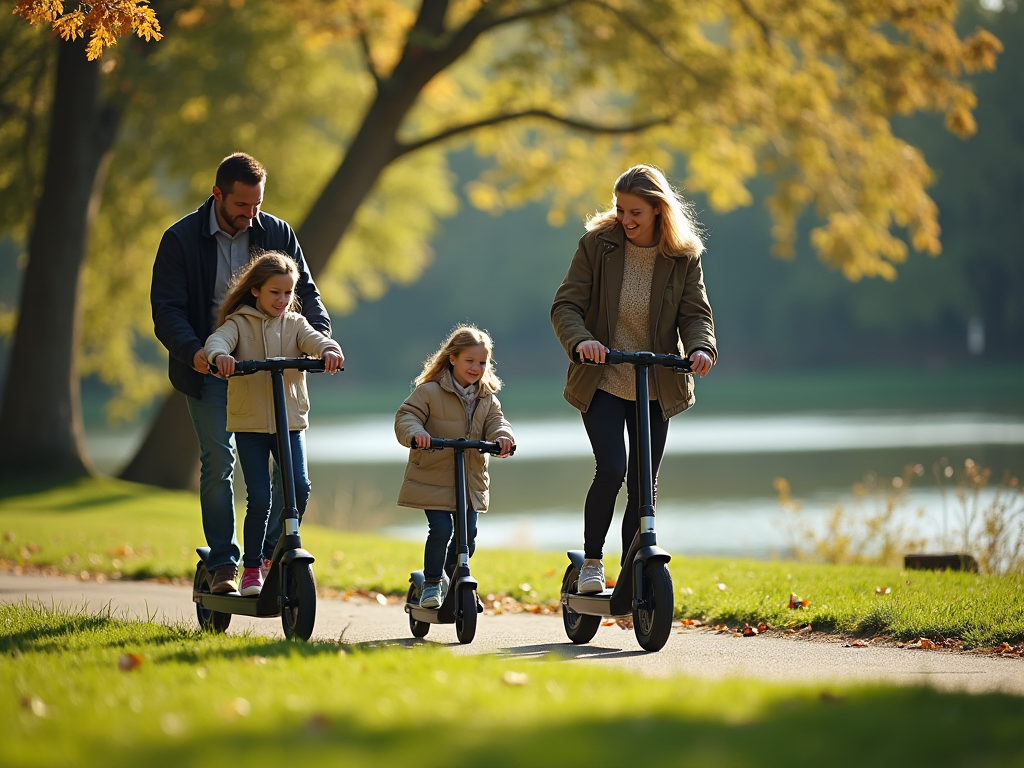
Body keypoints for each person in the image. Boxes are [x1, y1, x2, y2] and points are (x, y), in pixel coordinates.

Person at [152, 152, 332, 594]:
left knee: (290, 477)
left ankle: (264, 556)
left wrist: (323, 340)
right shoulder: (180, 240)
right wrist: (196, 353)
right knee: (219, 465)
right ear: (217, 194)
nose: (250, 215)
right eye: (241, 206)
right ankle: (224, 564)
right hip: (211, 372)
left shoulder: (275, 232)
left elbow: (304, 292)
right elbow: (167, 310)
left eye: (256, 205)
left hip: (268, 373)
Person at [550, 164, 717, 594]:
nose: (625, 220)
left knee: (643, 482)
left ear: (659, 210)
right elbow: (566, 306)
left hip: (655, 383)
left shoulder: (683, 256)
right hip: (603, 377)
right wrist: (583, 341)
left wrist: (700, 348)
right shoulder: (597, 245)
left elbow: (695, 314)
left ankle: (631, 574)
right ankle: (592, 563)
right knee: (612, 468)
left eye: (635, 212)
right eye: (621, 209)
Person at [205, 252, 343, 596]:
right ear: (255, 290)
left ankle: (270, 554)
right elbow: (218, 341)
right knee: (261, 498)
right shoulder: (239, 322)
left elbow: (316, 339)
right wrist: (220, 356)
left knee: (299, 486)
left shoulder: (295, 323)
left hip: (290, 423)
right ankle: (251, 568)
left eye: (287, 293)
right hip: (250, 425)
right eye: (274, 293)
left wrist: (328, 350)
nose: (282, 300)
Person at [394, 326, 515, 609]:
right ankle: (433, 582)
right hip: (434, 477)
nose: (476, 368)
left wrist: (503, 437)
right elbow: (407, 416)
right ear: (452, 359)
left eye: (482, 362)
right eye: (469, 361)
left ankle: (454, 578)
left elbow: (497, 422)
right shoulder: (430, 392)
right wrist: (417, 434)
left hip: (469, 480)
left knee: (467, 536)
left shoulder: (487, 398)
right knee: (440, 530)